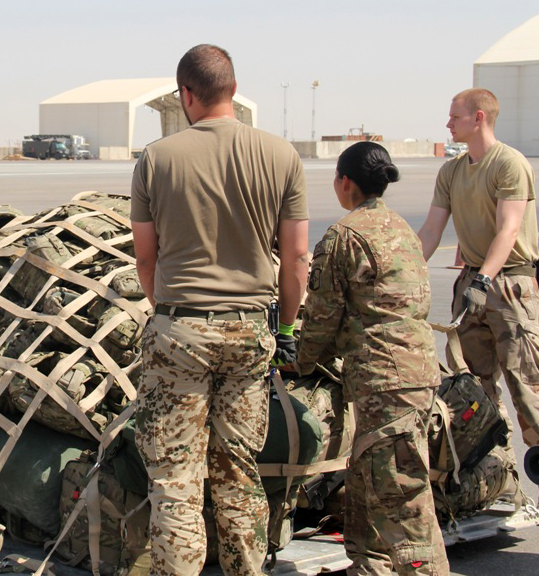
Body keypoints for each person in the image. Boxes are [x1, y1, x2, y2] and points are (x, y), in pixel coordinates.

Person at [130, 44, 309, 576]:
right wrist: (289, 327)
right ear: (234, 88)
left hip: (181, 327)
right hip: (252, 331)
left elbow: (145, 257)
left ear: (187, 93)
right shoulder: (281, 156)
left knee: (176, 481)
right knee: (238, 471)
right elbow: (296, 257)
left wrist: (166, 308)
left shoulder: (158, 158)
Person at [297, 142, 449, 575]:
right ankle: (370, 566)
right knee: (365, 480)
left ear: (345, 183)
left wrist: (302, 360)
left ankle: (424, 569)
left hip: (385, 381)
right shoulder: (401, 228)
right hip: (415, 371)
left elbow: (322, 316)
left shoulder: (345, 235)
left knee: (402, 494)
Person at [416, 88, 539, 517]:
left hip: (510, 287)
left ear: (478, 118)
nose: (448, 124)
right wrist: (406, 275)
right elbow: (433, 231)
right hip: (473, 284)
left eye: (453, 117)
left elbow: (509, 230)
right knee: (477, 393)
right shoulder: (452, 171)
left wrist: (486, 278)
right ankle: (503, 480)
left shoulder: (509, 163)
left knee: (528, 391)